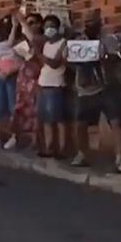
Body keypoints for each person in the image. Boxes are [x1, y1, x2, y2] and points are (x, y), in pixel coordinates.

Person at [69, 13, 121, 172]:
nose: (90, 26)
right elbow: (69, 62)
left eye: (93, 23)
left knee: (116, 121)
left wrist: (105, 57)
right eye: (87, 23)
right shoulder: (78, 42)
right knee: (81, 123)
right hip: (85, 88)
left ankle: (120, 157)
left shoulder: (108, 40)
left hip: (106, 86)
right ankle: (82, 153)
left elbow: (117, 59)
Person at [0, 17, 23, 149]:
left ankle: (14, 136)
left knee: (12, 106)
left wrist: (8, 71)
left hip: (12, 76)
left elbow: (21, 61)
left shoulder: (16, 43)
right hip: (0, 75)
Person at [38, 15, 68, 158]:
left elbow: (56, 63)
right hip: (43, 83)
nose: (48, 29)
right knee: (46, 118)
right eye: (46, 26)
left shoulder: (63, 43)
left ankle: (62, 147)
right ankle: (49, 145)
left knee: (58, 118)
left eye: (51, 26)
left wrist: (39, 55)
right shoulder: (46, 44)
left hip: (56, 84)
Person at [13, 11, 43, 149]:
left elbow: (33, 40)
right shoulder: (22, 41)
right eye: (28, 23)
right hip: (25, 77)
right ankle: (27, 137)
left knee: (36, 109)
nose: (29, 26)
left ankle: (38, 139)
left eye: (32, 23)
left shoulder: (42, 39)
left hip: (37, 77)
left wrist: (23, 22)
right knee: (24, 109)